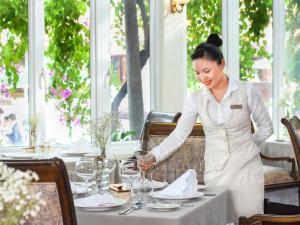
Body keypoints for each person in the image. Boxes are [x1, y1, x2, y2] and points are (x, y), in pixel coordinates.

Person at [140, 34, 273, 222]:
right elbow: (179, 134)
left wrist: (249, 147)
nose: (202, 77)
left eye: (207, 71)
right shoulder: (196, 99)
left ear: (222, 64)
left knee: (249, 221)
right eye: (197, 73)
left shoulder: (246, 91)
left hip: (247, 175)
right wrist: (154, 155)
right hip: (215, 174)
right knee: (218, 220)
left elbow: (266, 127)